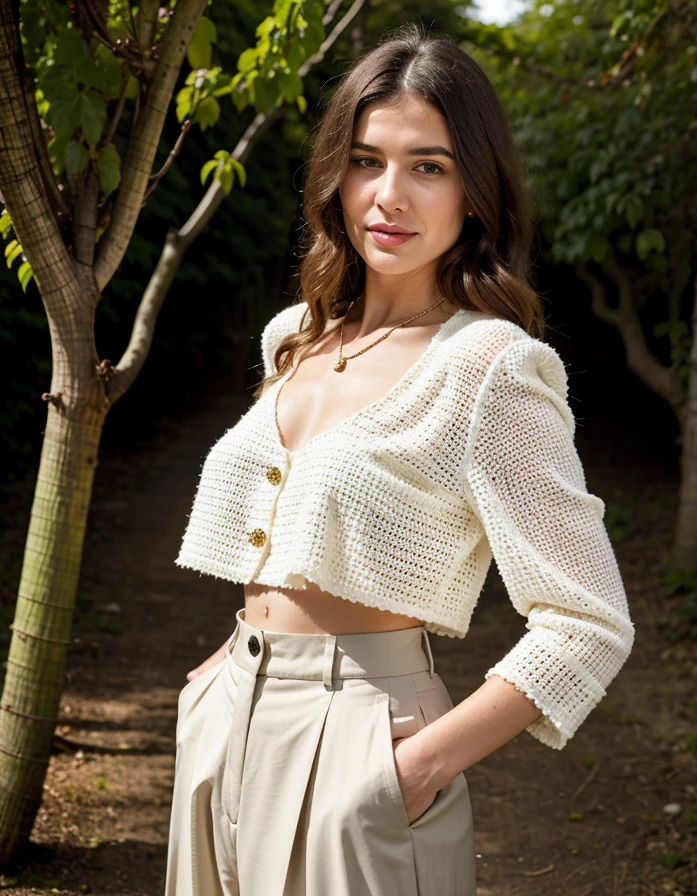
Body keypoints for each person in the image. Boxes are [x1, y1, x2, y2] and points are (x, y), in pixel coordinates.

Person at [164, 21, 635, 896]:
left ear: (474, 192)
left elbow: (589, 621)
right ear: (334, 175)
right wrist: (225, 677)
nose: (389, 195)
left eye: (429, 166)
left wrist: (413, 769)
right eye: (366, 160)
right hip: (227, 720)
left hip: (366, 747)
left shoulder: (492, 369)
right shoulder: (294, 341)